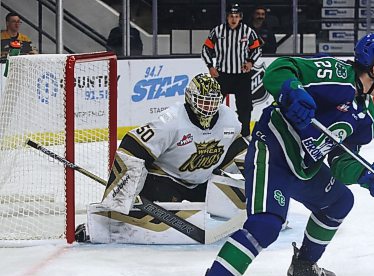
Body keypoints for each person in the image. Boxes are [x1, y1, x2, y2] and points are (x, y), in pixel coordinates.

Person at [188, 32, 374, 276]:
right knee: (266, 225)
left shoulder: (366, 115)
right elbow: (280, 69)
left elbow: (342, 161)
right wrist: (292, 90)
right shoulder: (337, 74)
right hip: (274, 151)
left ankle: (304, 266)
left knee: (340, 201)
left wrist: (371, 178)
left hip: (305, 167)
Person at [76, 73, 248, 242]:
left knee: (241, 202)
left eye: (212, 102)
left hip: (202, 180)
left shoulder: (228, 119)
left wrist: (255, 179)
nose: (208, 108)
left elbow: (236, 151)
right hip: (166, 180)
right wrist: (125, 191)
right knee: (139, 213)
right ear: (190, 98)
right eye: (203, 101)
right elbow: (132, 147)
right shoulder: (171, 121)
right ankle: (99, 225)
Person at [201, 3, 262, 138]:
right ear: (227, 17)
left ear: (240, 17)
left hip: (242, 76)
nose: (233, 19)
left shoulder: (248, 31)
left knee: (245, 107)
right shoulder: (217, 31)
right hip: (222, 75)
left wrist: (250, 62)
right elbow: (206, 49)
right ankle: (210, 133)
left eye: (236, 16)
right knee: (214, 105)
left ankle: (245, 134)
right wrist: (210, 66)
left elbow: (257, 49)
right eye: (231, 16)